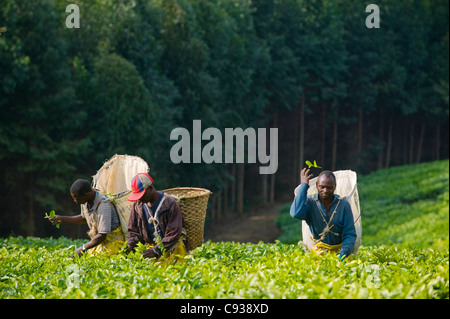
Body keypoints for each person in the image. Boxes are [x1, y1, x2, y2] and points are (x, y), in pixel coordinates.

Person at [290, 168, 356, 259]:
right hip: (319, 252)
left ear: (335, 187)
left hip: (341, 252)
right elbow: (296, 213)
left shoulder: (343, 205)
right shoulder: (310, 202)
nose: (325, 190)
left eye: (329, 187)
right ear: (317, 186)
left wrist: (342, 254)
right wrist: (304, 185)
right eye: (322, 187)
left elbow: (349, 233)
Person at [48, 179, 125, 257]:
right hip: (99, 243)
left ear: (85, 195)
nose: (75, 201)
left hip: (112, 245)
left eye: (76, 198)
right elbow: (83, 218)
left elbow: (102, 235)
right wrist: (62, 219)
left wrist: (83, 248)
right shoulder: (86, 201)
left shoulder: (104, 204)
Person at [126, 173, 187, 261]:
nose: (139, 199)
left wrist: (156, 251)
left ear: (150, 188)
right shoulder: (138, 206)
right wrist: (130, 244)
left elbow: (173, 233)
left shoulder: (169, 203)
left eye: (141, 195)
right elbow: (133, 231)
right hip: (151, 249)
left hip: (173, 249)